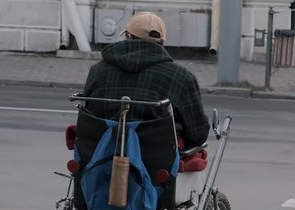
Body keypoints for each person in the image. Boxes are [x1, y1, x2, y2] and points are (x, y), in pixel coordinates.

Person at [82, 11, 210, 148]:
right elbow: (198, 133)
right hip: (158, 161)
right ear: (162, 42)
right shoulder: (181, 77)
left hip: (98, 156)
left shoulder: (97, 70)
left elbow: (87, 116)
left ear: (128, 36)